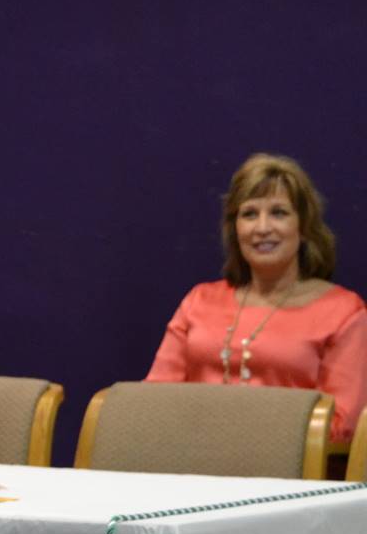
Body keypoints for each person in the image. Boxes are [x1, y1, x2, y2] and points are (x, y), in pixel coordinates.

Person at [147, 152, 365, 444]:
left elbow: (342, 426)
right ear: (235, 228)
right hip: (193, 465)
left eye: (279, 213)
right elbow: (152, 400)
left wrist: (245, 441)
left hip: (294, 476)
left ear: (303, 227)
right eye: (249, 214)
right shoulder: (199, 301)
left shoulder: (344, 312)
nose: (262, 228)